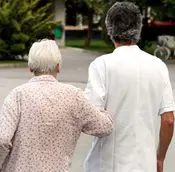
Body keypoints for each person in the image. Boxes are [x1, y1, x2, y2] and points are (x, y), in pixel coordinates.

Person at [84, 2, 175, 172]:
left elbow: (90, 118)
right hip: (145, 164)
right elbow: (168, 120)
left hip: (106, 164)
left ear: (107, 28)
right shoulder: (158, 66)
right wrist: (160, 158)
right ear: (139, 28)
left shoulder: (102, 65)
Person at [0, 40, 113, 172]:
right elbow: (104, 127)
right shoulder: (74, 96)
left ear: (31, 68)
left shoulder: (17, 95)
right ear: (58, 67)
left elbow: (2, 138)